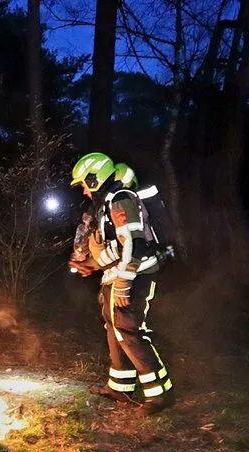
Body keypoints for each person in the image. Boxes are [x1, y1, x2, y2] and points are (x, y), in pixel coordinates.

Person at [68, 152, 175, 416]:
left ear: (95, 178)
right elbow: (115, 247)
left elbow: (134, 245)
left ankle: (160, 394)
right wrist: (91, 265)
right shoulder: (106, 203)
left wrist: (125, 284)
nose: (84, 190)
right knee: (113, 328)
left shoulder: (121, 199)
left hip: (135, 276)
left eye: (84, 184)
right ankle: (120, 387)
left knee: (129, 330)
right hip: (116, 275)